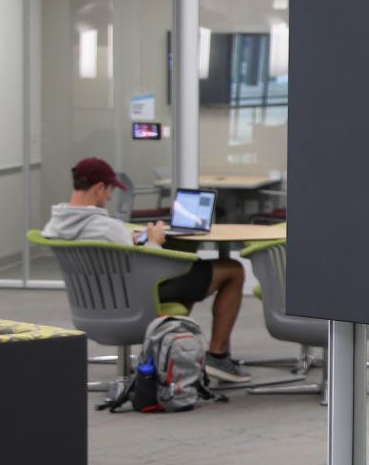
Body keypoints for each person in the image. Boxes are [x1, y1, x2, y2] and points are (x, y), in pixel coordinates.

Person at [41, 157, 251, 384]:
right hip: (134, 302)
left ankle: (167, 352)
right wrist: (154, 241)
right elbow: (148, 264)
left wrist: (128, 242)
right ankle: (217, 356)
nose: (110, 197)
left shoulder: (54, 226)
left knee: (191, 277)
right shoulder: (108, 228)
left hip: (92, 305)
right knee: (232, 270)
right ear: (99, 187)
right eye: (109, 191)